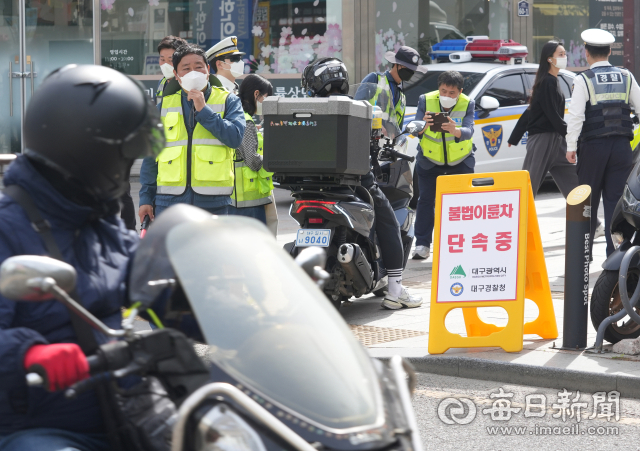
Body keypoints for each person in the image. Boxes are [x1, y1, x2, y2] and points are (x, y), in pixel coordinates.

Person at [0, 64, 163, 450]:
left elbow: (148, 279)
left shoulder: (99, 221)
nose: (127, 172)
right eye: (124, 159)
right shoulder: (7, 230)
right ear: (87, 153)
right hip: (40, 425)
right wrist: (30, 352)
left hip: (125, 410)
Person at [303, 57, 422, 309]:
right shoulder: (357, 108)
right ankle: (394, 290)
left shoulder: (306, 109)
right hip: (355, 183)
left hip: (308, 183)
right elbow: (373, 140)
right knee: (388, 221)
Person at [138, 44, 246, 222]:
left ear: (207, 70)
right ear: (177, 76)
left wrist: (204, 110)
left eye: (198, 67)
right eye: (186, 69)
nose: (193, 73)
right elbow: (151, 158)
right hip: (169, 203)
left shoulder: (229, 101)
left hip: (214, 203)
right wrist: (145, 198)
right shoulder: (163, 106)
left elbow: (235, 138)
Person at [566, 28, 640, 257]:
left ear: (586, 53)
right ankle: (617, 254)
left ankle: (583, 255)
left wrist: (570, 147)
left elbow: (576, 116)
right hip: (621, 149)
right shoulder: (626, 76)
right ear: (610, 51)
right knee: (616, 202)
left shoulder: (583, 79)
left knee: (587, 201)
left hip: (592, 147)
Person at [412, 71, 476, 261]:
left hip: (460, 161)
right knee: (425, 202)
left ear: (460, 91)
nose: (447, 96)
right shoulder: (426, 100)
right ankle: (422, 244)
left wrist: (454, 130)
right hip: (430, 161)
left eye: (452, 93)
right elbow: (416, 127)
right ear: (438, 88)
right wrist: (421, 127)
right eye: (443, 91)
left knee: (461, 205)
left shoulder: (467, 103)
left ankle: (460, 243)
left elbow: (469, 130)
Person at [229, 74, 276, 226]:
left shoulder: (235, 114)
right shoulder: (246, 121)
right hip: (248, 199)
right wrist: (272, 158)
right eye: (266, 98)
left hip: (237, 197)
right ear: (256, 94)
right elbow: (252, 161)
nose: (266, 103)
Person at [360, 46, 427, 132]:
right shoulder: (374, 79)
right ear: (396, 64)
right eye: (407, 67)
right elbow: (356, 110)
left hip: (386, 144)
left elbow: (397, 128)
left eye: (413, 69)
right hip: (366, 140)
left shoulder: (402, 97)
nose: (411, 72)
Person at [156, 35, 188, 104]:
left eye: (170, 60)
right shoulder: (162, 83)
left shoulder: (189, 84)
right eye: (162, 59)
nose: (165, 64)